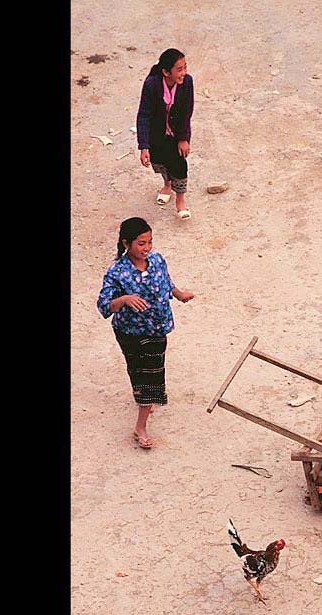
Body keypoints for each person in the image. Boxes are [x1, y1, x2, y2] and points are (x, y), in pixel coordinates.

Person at [96, 217, 194, 448]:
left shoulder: (157, 260)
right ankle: (142, 415)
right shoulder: (117, 273)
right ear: (126, 243)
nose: (147, 248)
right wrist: (124, 299)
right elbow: (103, 305)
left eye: (149, 242)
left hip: (157, 328)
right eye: (141, 243)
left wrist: (179, 294)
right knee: (141, 373)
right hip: (130, 333)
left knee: (149, 374)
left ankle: (142, 417)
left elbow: (166, 282)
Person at [136, 48, 195, 220]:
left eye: (185, 67)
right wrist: (144, 146)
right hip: (157, 133)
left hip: (176, 132)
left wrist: (183, 138)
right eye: (179, 69)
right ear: (166, 72)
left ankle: (180, 202)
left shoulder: (187, 83)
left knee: (179, 162)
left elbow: (186, 112)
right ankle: (166, 185)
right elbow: (144, 114)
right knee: (160, 160)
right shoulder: (151, 85)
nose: (184, 73)